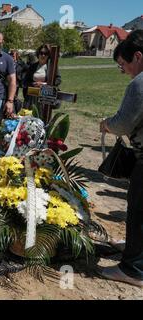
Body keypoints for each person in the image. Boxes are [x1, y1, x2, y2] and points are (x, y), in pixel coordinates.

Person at [99, 30, 143, 288]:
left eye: (124, 65)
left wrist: (107, 124)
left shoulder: (140, 83)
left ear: (137, 56)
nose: (124, 71)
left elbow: (124, 124)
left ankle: (134, 269)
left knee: (138, 211)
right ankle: (135, 250)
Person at [22, 44, 61, 111]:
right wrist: (33, 84)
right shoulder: (32, 66)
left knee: (43, 117)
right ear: (38, 54)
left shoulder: (52, 67)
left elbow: (58, 80)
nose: (43, 55)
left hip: (45, 97)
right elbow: (25, 81)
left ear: (48, 55)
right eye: (41, 53)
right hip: (32, 97)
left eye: (45, 53)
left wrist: (44, 84)